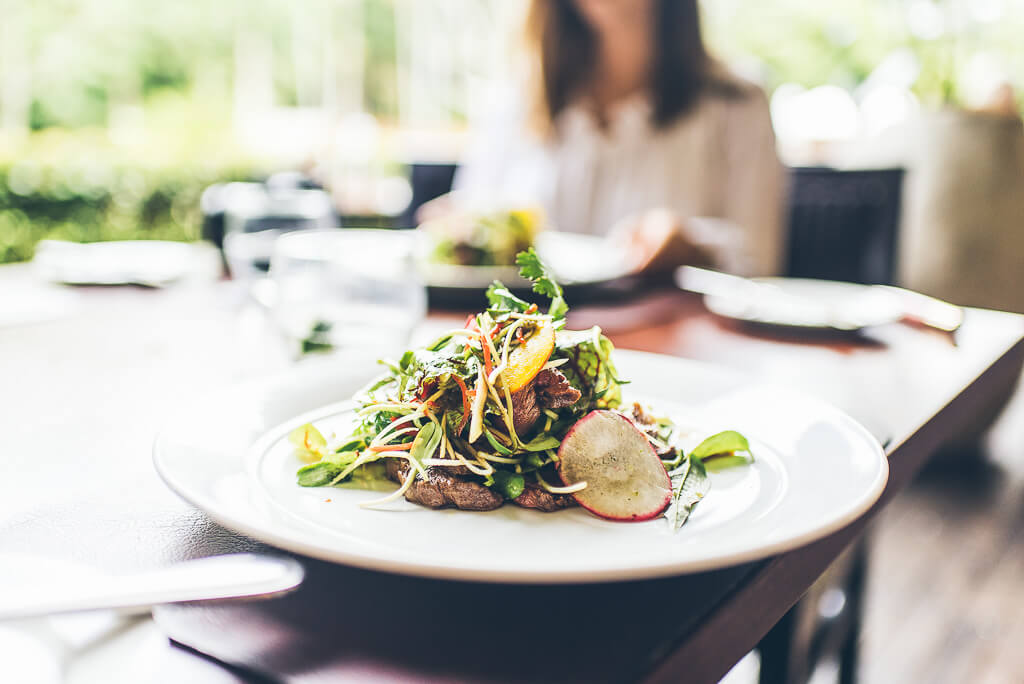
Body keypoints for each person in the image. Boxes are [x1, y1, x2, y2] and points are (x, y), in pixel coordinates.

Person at [430, 0, 786, 277]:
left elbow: (760, 261)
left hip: (672, 349)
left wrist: (693, 246)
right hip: (529, 351)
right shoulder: (516, 99)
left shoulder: (736, 101)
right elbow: (470, 213)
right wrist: (459, 228)